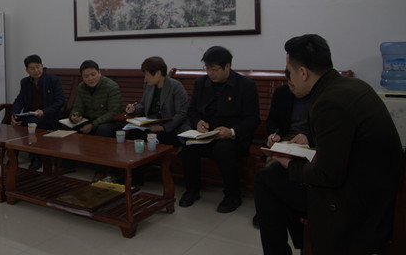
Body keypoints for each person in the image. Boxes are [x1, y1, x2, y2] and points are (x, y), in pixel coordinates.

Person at [255, 34, 403, 255]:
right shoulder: (354, 86)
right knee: (274, 175)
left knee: (267, 179)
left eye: (290, 72)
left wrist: (290, 165)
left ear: (303, 72)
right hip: (376, 187)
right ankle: (300, 242)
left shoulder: (329, 102)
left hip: (356, 203)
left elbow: (327, 175)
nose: (290, 78)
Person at [179, 46, 259, 213]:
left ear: (227, 67)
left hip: (233, 137)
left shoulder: (246, 86)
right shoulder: (201, 83)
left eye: (214, 69)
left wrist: (231, 131)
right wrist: (197, 123)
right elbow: (192, 110)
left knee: (223, 150)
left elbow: (252, 120)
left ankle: (232, 196)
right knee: (188, 147)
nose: (210, 73)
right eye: (207, 69)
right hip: (207, 134)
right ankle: (192, 190)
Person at [252, 78, 311, 229]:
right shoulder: (282, 93)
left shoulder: (319, 95)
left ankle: (294, 208)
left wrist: (309, 138)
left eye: (296, 85)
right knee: (272, 165)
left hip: (309, 143)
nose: (294, 89)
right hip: (286, 140)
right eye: (291, 85)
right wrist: (274, 134)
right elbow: (272, 120)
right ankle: (265, 211)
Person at [69, 60, 123, 181]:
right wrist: (74, 116)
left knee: (103, 129)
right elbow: (77, 107)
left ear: (99, 72)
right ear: (82, 77)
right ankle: (66, 165)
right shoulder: (81, 87)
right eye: (86, 76)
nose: (90, 78)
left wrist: (92, 125)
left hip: (111, 122)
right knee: (68, 126)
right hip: (91, 120)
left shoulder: (111, 86)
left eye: (93, 74)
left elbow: (114, 112)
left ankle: (101, 170)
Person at [11, 54, 65, 170]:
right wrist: (14, 114)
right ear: (27, 70)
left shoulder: (53, 80)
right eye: (32, 68)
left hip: (49, 118)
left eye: (38, 67)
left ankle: (36, 158)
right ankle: (13, 157)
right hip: (31, 115)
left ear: (42, 66)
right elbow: (19, 100)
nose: (36, 70)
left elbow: (60, 101)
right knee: (17, 123)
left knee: (31, 124)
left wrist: (44, 111)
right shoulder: (25, 82)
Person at [125, 56, 188, 146]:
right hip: (152, 124)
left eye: (147, 75)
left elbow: (181, 114)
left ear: (158, 73)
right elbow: (143, 105)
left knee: (154, 137)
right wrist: (134, 109)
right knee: (132, 134)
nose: (145, 78)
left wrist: (163, 127)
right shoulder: (150, 86)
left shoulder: (176, 87)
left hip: (171, 129)